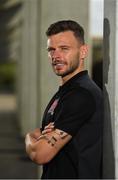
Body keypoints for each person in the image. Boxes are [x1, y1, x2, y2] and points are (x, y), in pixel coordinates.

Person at [25, 20, 103, 179]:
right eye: (51, 50)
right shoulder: (67, 91)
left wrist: (28, 138)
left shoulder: (82, 95)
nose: (56, 56)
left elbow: (40, 154)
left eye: (64, 49)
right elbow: (41, 134)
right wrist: (40, 136)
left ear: (83, 51)